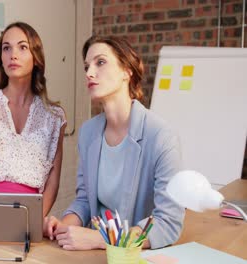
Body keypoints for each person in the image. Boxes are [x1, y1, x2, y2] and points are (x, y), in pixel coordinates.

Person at [44, 35, 185, 250]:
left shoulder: (161, 136)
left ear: (127, 71)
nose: (89, 73)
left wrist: (101, 240)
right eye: (86, 66)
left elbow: (168, 221)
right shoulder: (88, 133)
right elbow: (84, 201)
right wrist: (63, 226)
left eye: (100, 62)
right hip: (90, 254)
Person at [0, 22, 66, 217]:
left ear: (36, 58)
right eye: (6, 48)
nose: (13, 54)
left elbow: (53, 179)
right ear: (1, 57)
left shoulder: (54, 115)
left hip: (27, 214)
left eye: (22, 47)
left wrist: (35, 222)